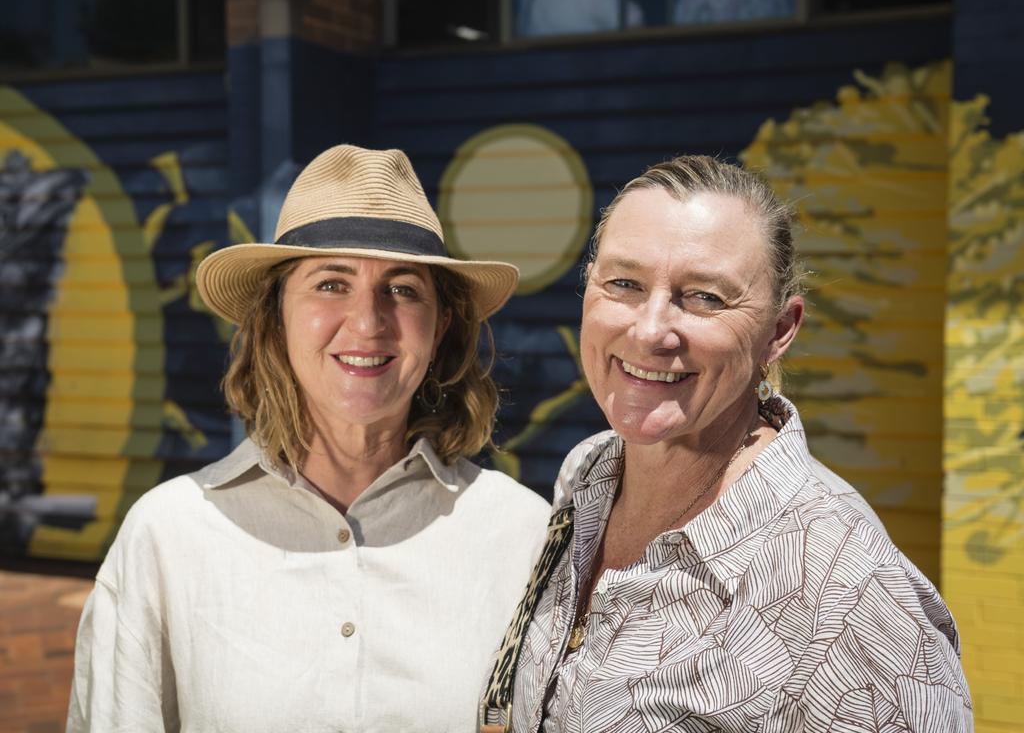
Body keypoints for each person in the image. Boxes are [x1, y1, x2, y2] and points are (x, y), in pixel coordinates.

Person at [66, 144, 550, 732]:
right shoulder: (168, 538)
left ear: (440, 324)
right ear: (276, 316)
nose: (368, 322)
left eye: (402, 289)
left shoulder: (522, 536)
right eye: (330, 284)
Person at [481, 155, 973, 732]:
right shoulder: (587, 475)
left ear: (780, 330)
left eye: (705, 297)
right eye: (624, 284)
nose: (649, 330)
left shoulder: (851, 601)